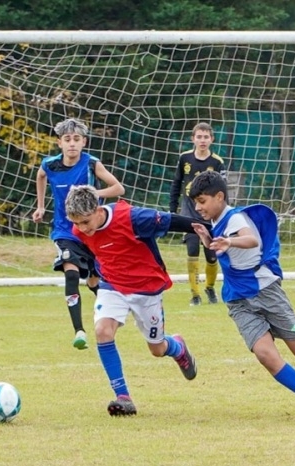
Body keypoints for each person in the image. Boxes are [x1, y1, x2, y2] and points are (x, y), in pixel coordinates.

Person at [188, 171, 295, 423]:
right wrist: (209, 241)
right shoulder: (217, 222)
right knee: (266, 355)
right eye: (196, 202)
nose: (197, 207)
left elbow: (251, 240)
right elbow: (227, 249)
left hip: (265, 291)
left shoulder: (235, 218)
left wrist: (228, 242)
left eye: (202, 201)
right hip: (238, 299)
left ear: (219, 197)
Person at [65, 185, 204, 416]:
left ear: (98, 210)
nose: (81, 229)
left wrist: (211, 230)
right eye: (76, 223)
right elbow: (93, 251)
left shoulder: (132, 217)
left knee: (157, 349)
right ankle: (123, 397)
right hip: (112, 285)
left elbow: (173, 221)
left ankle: (178, 348)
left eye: (85, 222)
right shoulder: (80, 230)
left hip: (146, 288)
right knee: (102, 331)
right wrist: (91, 274)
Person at [33, 118, 125, 350]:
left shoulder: (91, 164)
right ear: (59, 143)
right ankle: (79, 331)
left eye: (76, 139)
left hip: (92, 231)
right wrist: (41, 205)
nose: (72, 144)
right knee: (71, 274)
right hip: (65, 231)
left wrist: (93, 192)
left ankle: (111, 310)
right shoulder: (50, 165)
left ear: (84, 142)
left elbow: (118, 189)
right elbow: (40, 176)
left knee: (95, 279)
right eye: (67, 140)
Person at [169, 122, 226, 306]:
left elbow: (222, 191)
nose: (202, 140)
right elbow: (176, 183)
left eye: (206, 137)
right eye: (199, 137)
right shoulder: (184, 158)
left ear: (212, 139)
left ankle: (209, 287)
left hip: (209, 213)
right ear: (193, 139)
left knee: (211, 254)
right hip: (188, 211)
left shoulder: (217, 162)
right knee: (192, 250)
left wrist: (223, 214)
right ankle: (195, 294)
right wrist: (172, 209)